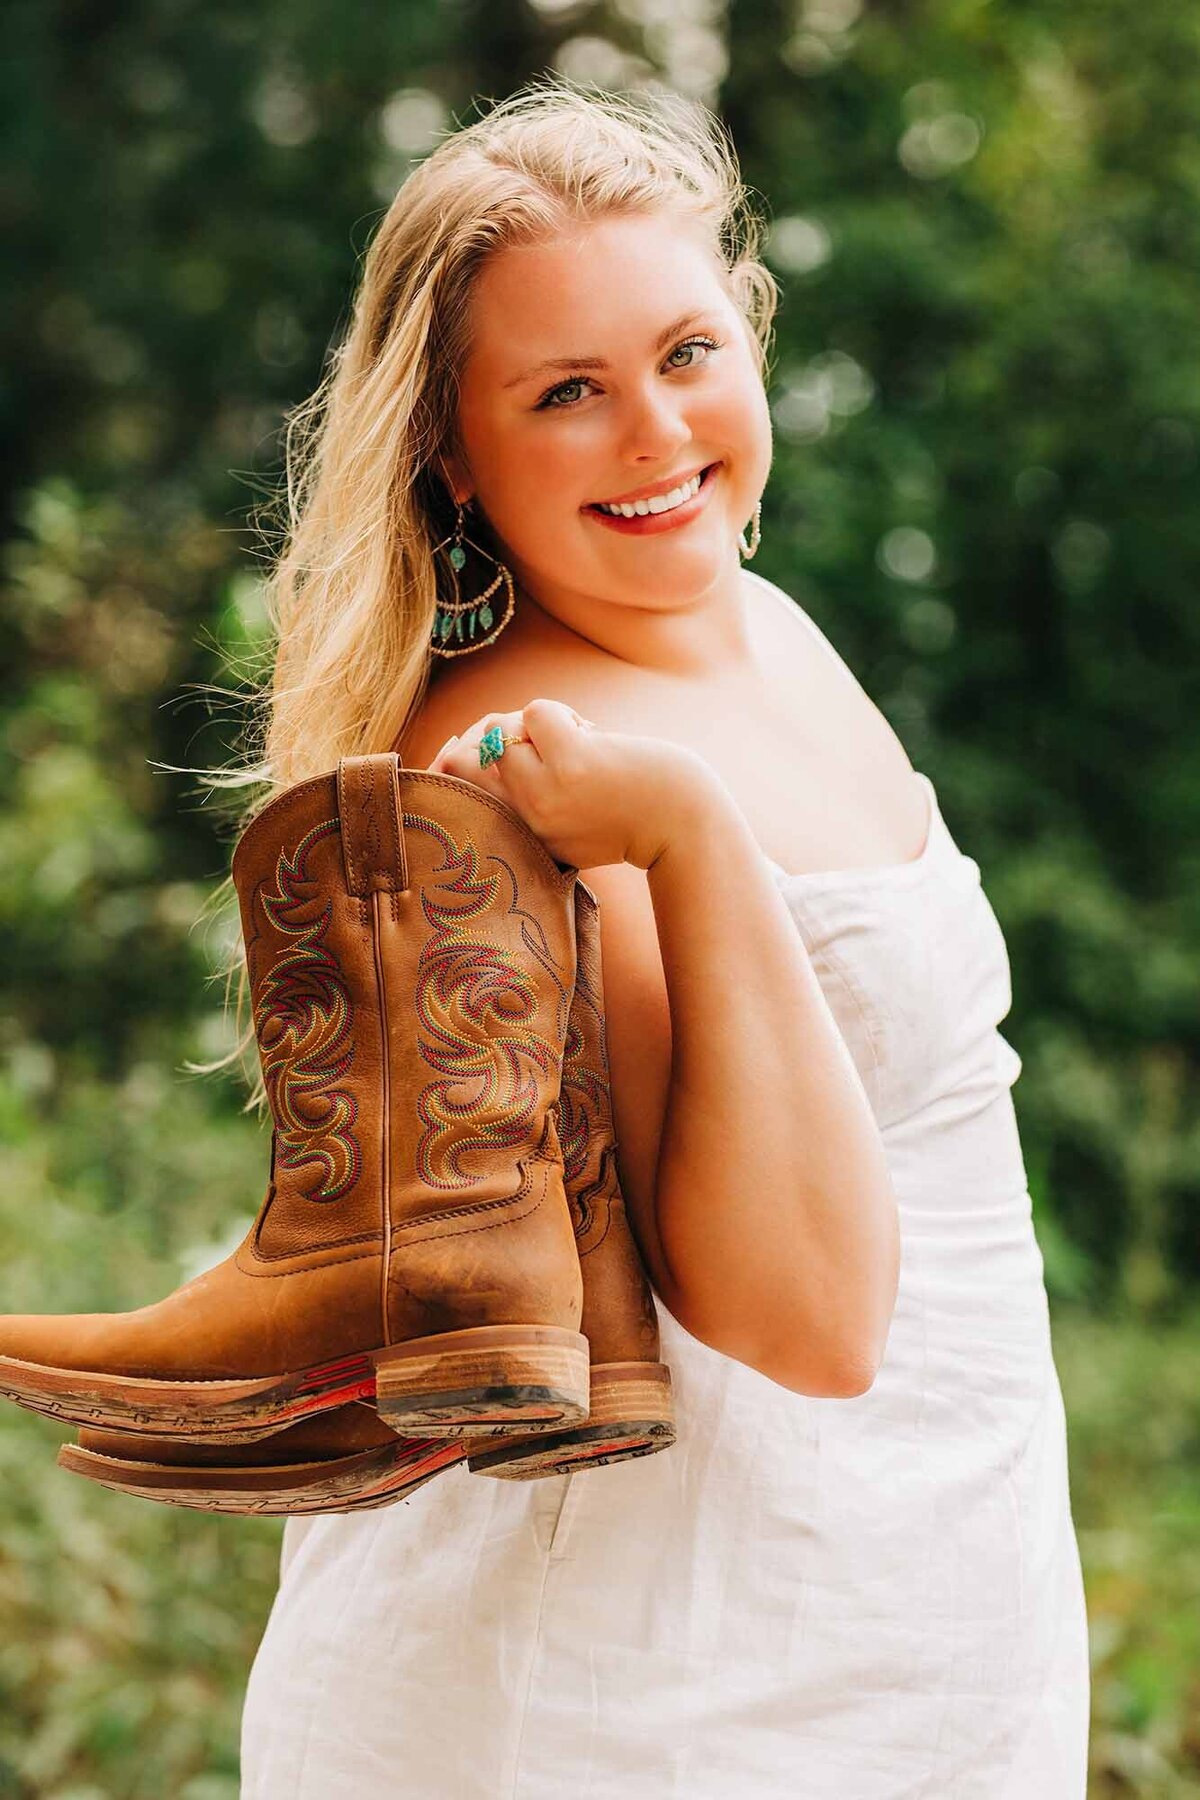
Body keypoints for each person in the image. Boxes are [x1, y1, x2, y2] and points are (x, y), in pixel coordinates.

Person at [235, 73, 1090, 1798]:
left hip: (908, 1589)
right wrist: (691, 838)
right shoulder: (512, 776)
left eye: (688, 352)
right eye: (568, 391)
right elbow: (806, 1320)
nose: (655, 434)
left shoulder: (765, 626)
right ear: (453, 455)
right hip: (652, 1686)